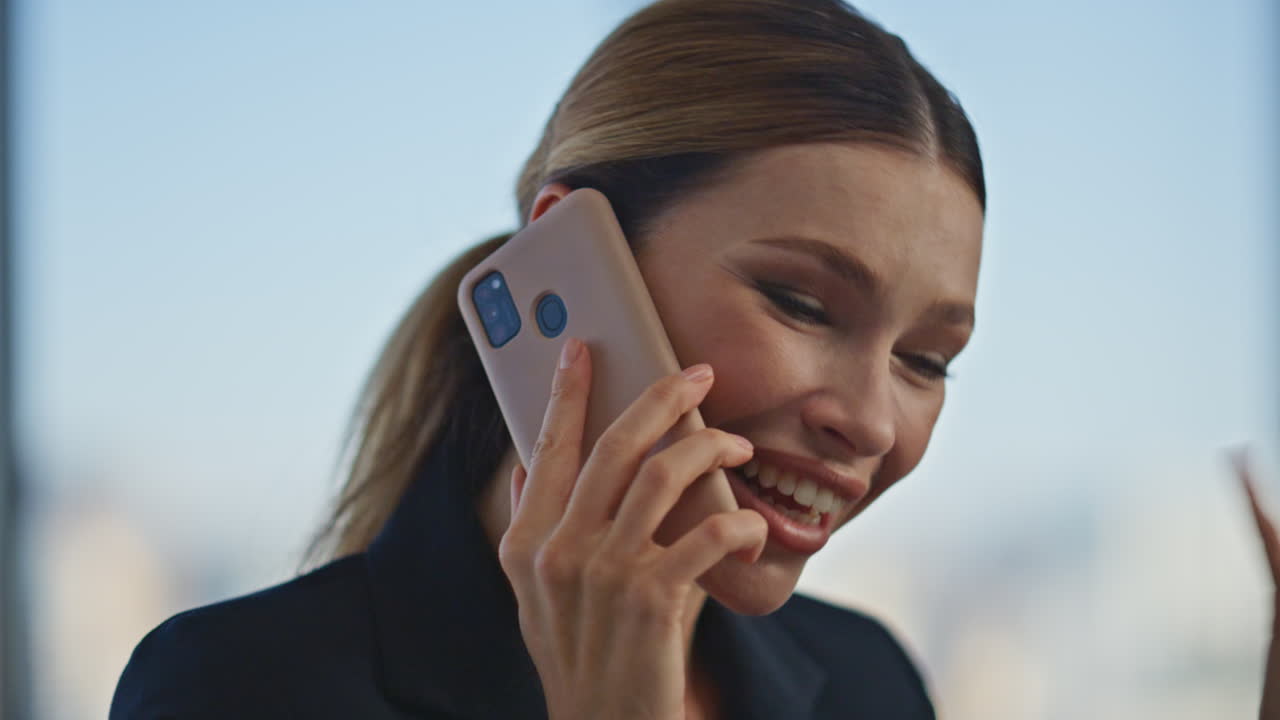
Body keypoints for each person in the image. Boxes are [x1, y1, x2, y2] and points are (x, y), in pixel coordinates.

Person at [108, 1, 1280, 718]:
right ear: (562, 268)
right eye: (797, 301)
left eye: (927, 360)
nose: (872, 424)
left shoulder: (865, 683)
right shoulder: (236, 689)